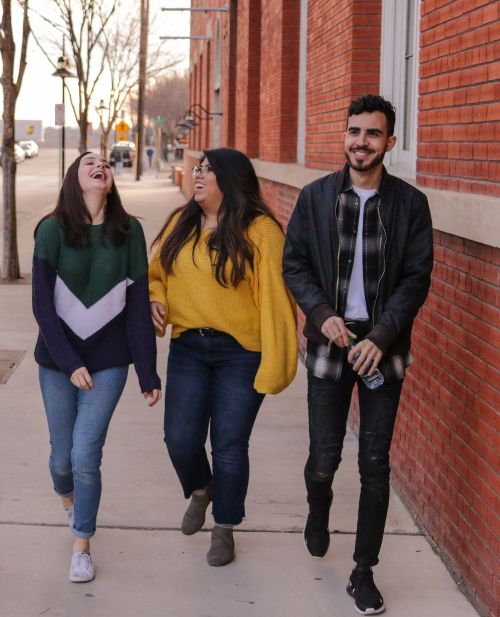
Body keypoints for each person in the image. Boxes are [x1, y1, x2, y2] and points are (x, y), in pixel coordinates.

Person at [283, 94, 433, 615]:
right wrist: (320, 312)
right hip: (330, 341)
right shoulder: (317, 197)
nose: (360, 142)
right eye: (353, 132)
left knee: (375, 463)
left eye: (371, 134)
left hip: (381, 348)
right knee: (324, 458)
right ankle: (317, 508)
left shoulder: (410, 204)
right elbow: (295, 263)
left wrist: (383, 335)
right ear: (344, 135)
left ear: (389, 142)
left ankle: (363, 571)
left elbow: (416, 279)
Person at [149, 147, 297, 567]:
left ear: (230, 180)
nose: (198, 174)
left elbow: (276, 300)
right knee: (179, 439)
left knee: (230, 446)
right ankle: (201, 490)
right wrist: (155, 300)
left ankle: (225, 527)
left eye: (208, 170)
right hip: (189, 347)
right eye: (197, 168)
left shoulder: (261, 231)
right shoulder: (181, 223)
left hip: (241, 354)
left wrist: (277, 361)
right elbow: (155, 274)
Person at [32, 152, 161, 583]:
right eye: (89, 162)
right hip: (57, 362)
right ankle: (69, 499)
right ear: (75, 178)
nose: (100, 165)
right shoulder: (51, 231)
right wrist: (69, 364)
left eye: (105, 163)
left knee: (86, 454)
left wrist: (147, 372)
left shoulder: (130, 232)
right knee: (61, 460)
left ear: (111, 180)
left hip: (108, 363)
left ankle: (82, 543)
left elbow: (139, 307)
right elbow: (42, 309)